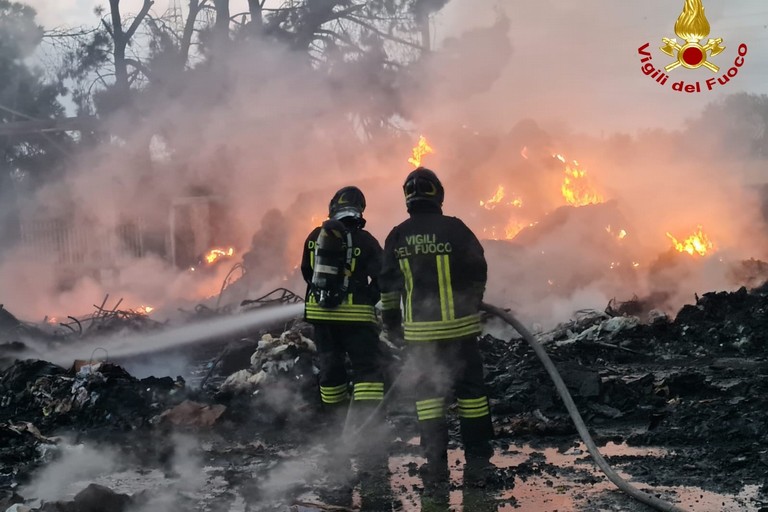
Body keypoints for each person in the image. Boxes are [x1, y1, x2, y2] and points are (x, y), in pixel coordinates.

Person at [379, 167, 495, 494]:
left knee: (428, 398)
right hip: (461, 331)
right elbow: (478, 268)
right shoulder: (455, 230)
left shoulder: (398, 235)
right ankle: (477, 462)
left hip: (421, 337)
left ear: (408, 198)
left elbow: (387, 288)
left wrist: (393, 326)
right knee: (471, 395)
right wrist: (473, 301)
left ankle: (435, 462)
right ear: (437, 195)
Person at [300, 186, 387, 480]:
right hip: (357, 318)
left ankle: (336, 431)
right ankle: (365, 432)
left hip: (321, 317)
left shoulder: (314, 238)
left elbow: (306, 273)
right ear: (359, 210)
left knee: (331, 372)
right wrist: (367, 297)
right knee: (368, 374)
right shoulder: (365, 240)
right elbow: (385, 276)